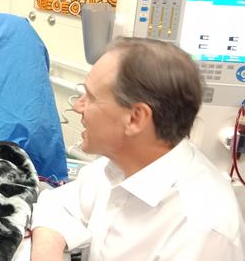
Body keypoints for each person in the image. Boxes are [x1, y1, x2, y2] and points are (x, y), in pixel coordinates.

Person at [30, 37, 245, 260]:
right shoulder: (118, 165)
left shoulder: (202, 228)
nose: (77, 106)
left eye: (91, 97)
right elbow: (57, 206)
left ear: (135, 118)